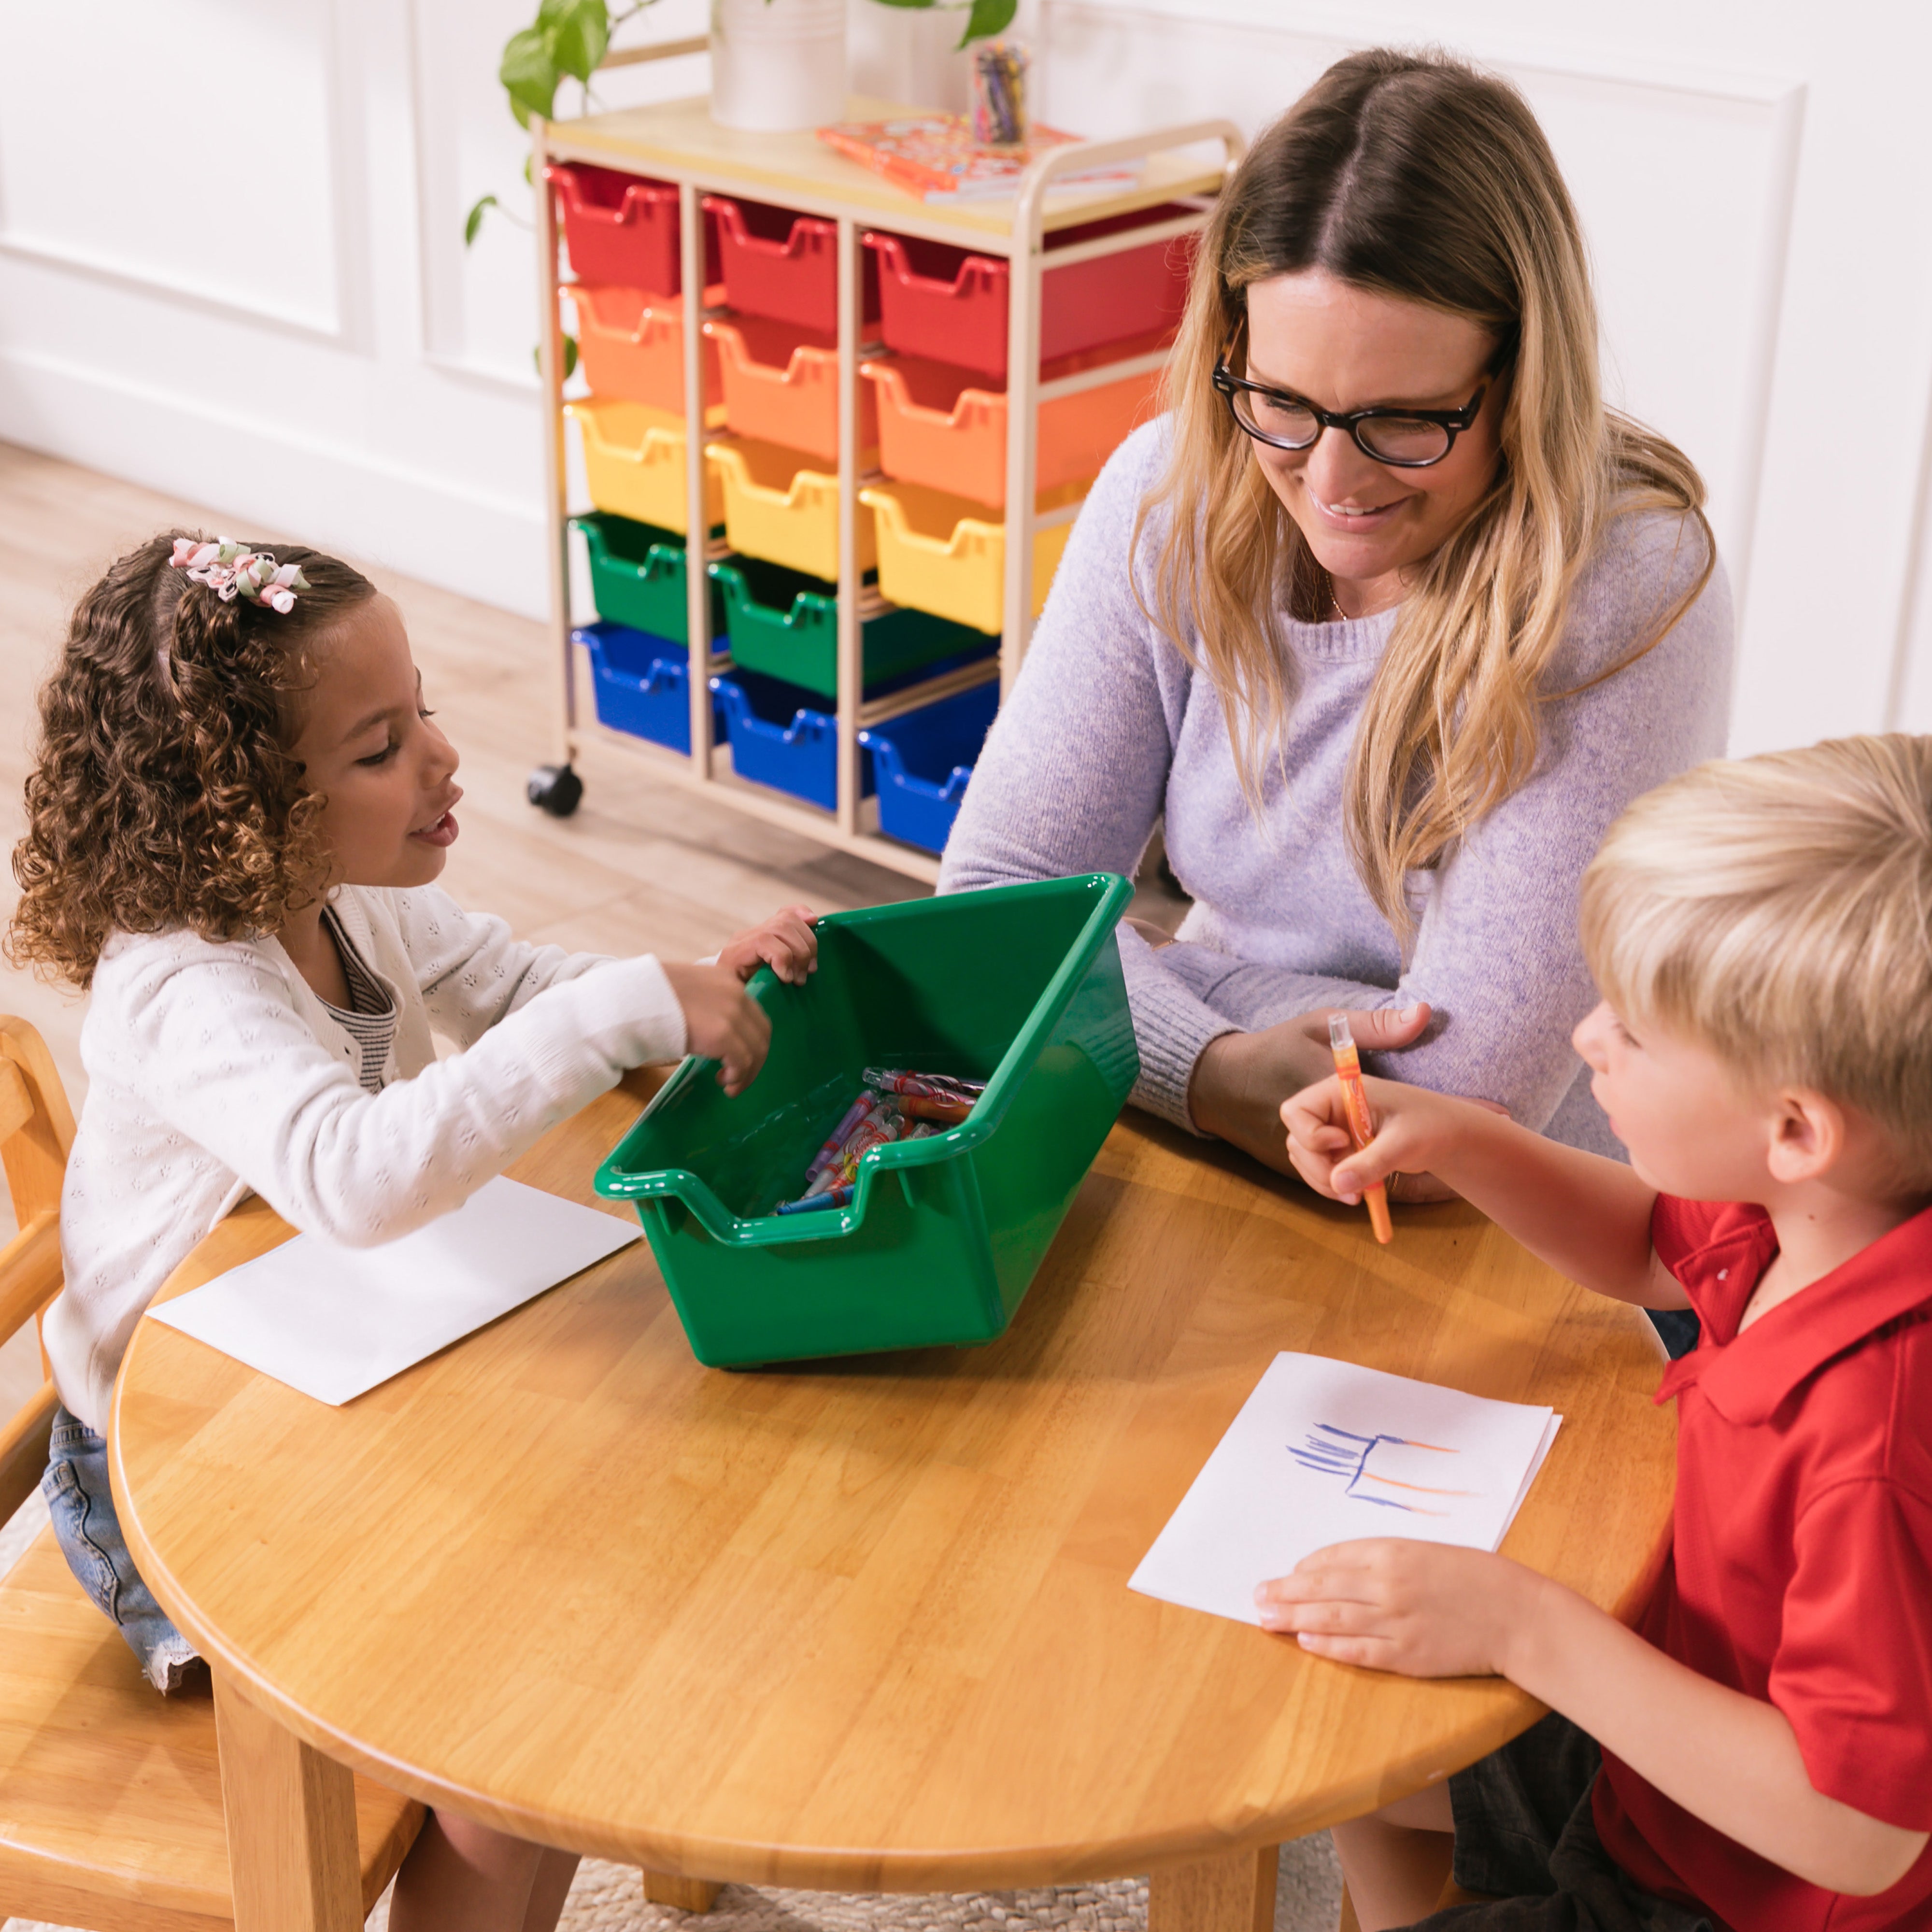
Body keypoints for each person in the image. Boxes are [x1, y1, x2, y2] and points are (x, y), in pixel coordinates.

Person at [5, 532, 818, 1932]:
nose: (442, 757)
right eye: (380, 747)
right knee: (514, 1712)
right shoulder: (182, 987)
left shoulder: (341, 890)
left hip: (322, 1366)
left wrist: (674, 981)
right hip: (167, 1474)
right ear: (242, 806)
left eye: (423, 710)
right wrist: (614, 1013)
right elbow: (354, 1179)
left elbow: (511, 980)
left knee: (623, 1545)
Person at [939, 49, 1731, 1350]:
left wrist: (1148, 980)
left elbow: (1447, 1117)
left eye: (1404, 421)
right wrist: (1209, 1069)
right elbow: (989, 915)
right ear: (1232, 351)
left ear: (1520, 377)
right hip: (1217, 1153)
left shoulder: (1622, 578)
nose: (1333, 481)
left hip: (1547, 1255)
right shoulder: (1170, 492)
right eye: (1284, 403)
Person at [1265, 734, 1932, 1930]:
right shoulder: (1820, 1212)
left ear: (1794, 1130)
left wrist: (1525, 1626)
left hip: (1740, 1892)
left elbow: (1857, 1830)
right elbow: (1644, 1249)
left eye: (1632, 1028)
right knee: (1339, 1741)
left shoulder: (1875, 1443)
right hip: (1660, 1744)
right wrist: (1460, 1138)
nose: (1585, 1038)